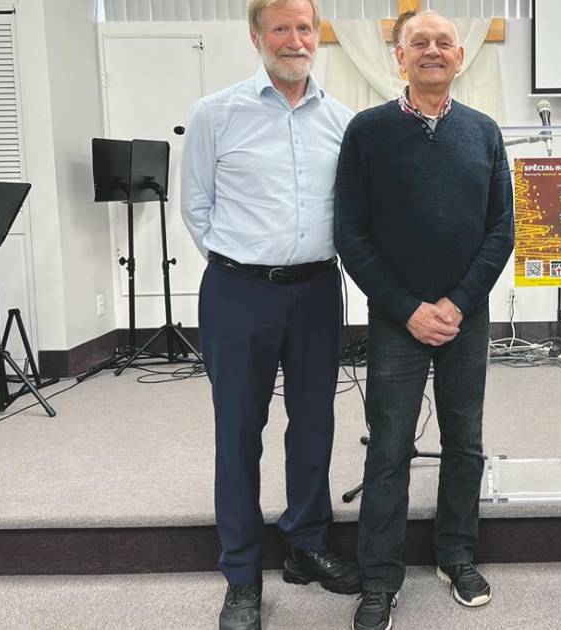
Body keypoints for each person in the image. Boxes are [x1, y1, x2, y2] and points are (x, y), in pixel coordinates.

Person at [180, 1, 361, 628]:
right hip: (238, 292)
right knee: (238, 431)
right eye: (280, 28)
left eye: (304, 28)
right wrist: (247, 266)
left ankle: (307, 545)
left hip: (316, 290)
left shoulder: (342, 121)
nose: (294, 39)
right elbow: (197, 209)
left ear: (317, 38)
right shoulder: (215, 114)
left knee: (314, 422)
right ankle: (241, 573)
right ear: (257, 36)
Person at [333, 10, 514, 630]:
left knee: (465, 441)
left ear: (459, 57)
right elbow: (350, 234)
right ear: (399, 56)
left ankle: (457, 553)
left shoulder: (485, 132)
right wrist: (408, 309)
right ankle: (380, 576)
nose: (432, 51)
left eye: (443, 43)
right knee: (388, 447)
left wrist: (458, 303)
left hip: (466, 316)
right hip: (395, 320)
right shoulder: (367, 131)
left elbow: (501, 230)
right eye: (420, 43)